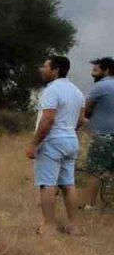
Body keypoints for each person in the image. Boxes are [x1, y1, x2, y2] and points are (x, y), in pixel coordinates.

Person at [27, 56, 87, 235]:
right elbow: (81, 119)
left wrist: (34, 144)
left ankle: (49, 226)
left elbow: (47, 120)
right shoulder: (77, 91)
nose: (42, 69)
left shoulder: (52, 91)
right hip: (70, 139)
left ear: (56, 69)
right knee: (68, 184)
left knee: (47, 184)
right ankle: (73, 226)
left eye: (45, 66)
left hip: (53, 141)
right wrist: (68, 131)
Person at [81, 56, 114, 208]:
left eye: (96, 70)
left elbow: (85, 109)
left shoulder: (100, 86)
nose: (92, 74)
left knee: (95, 171)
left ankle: (89, 205)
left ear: (107, 70)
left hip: (103, 135)